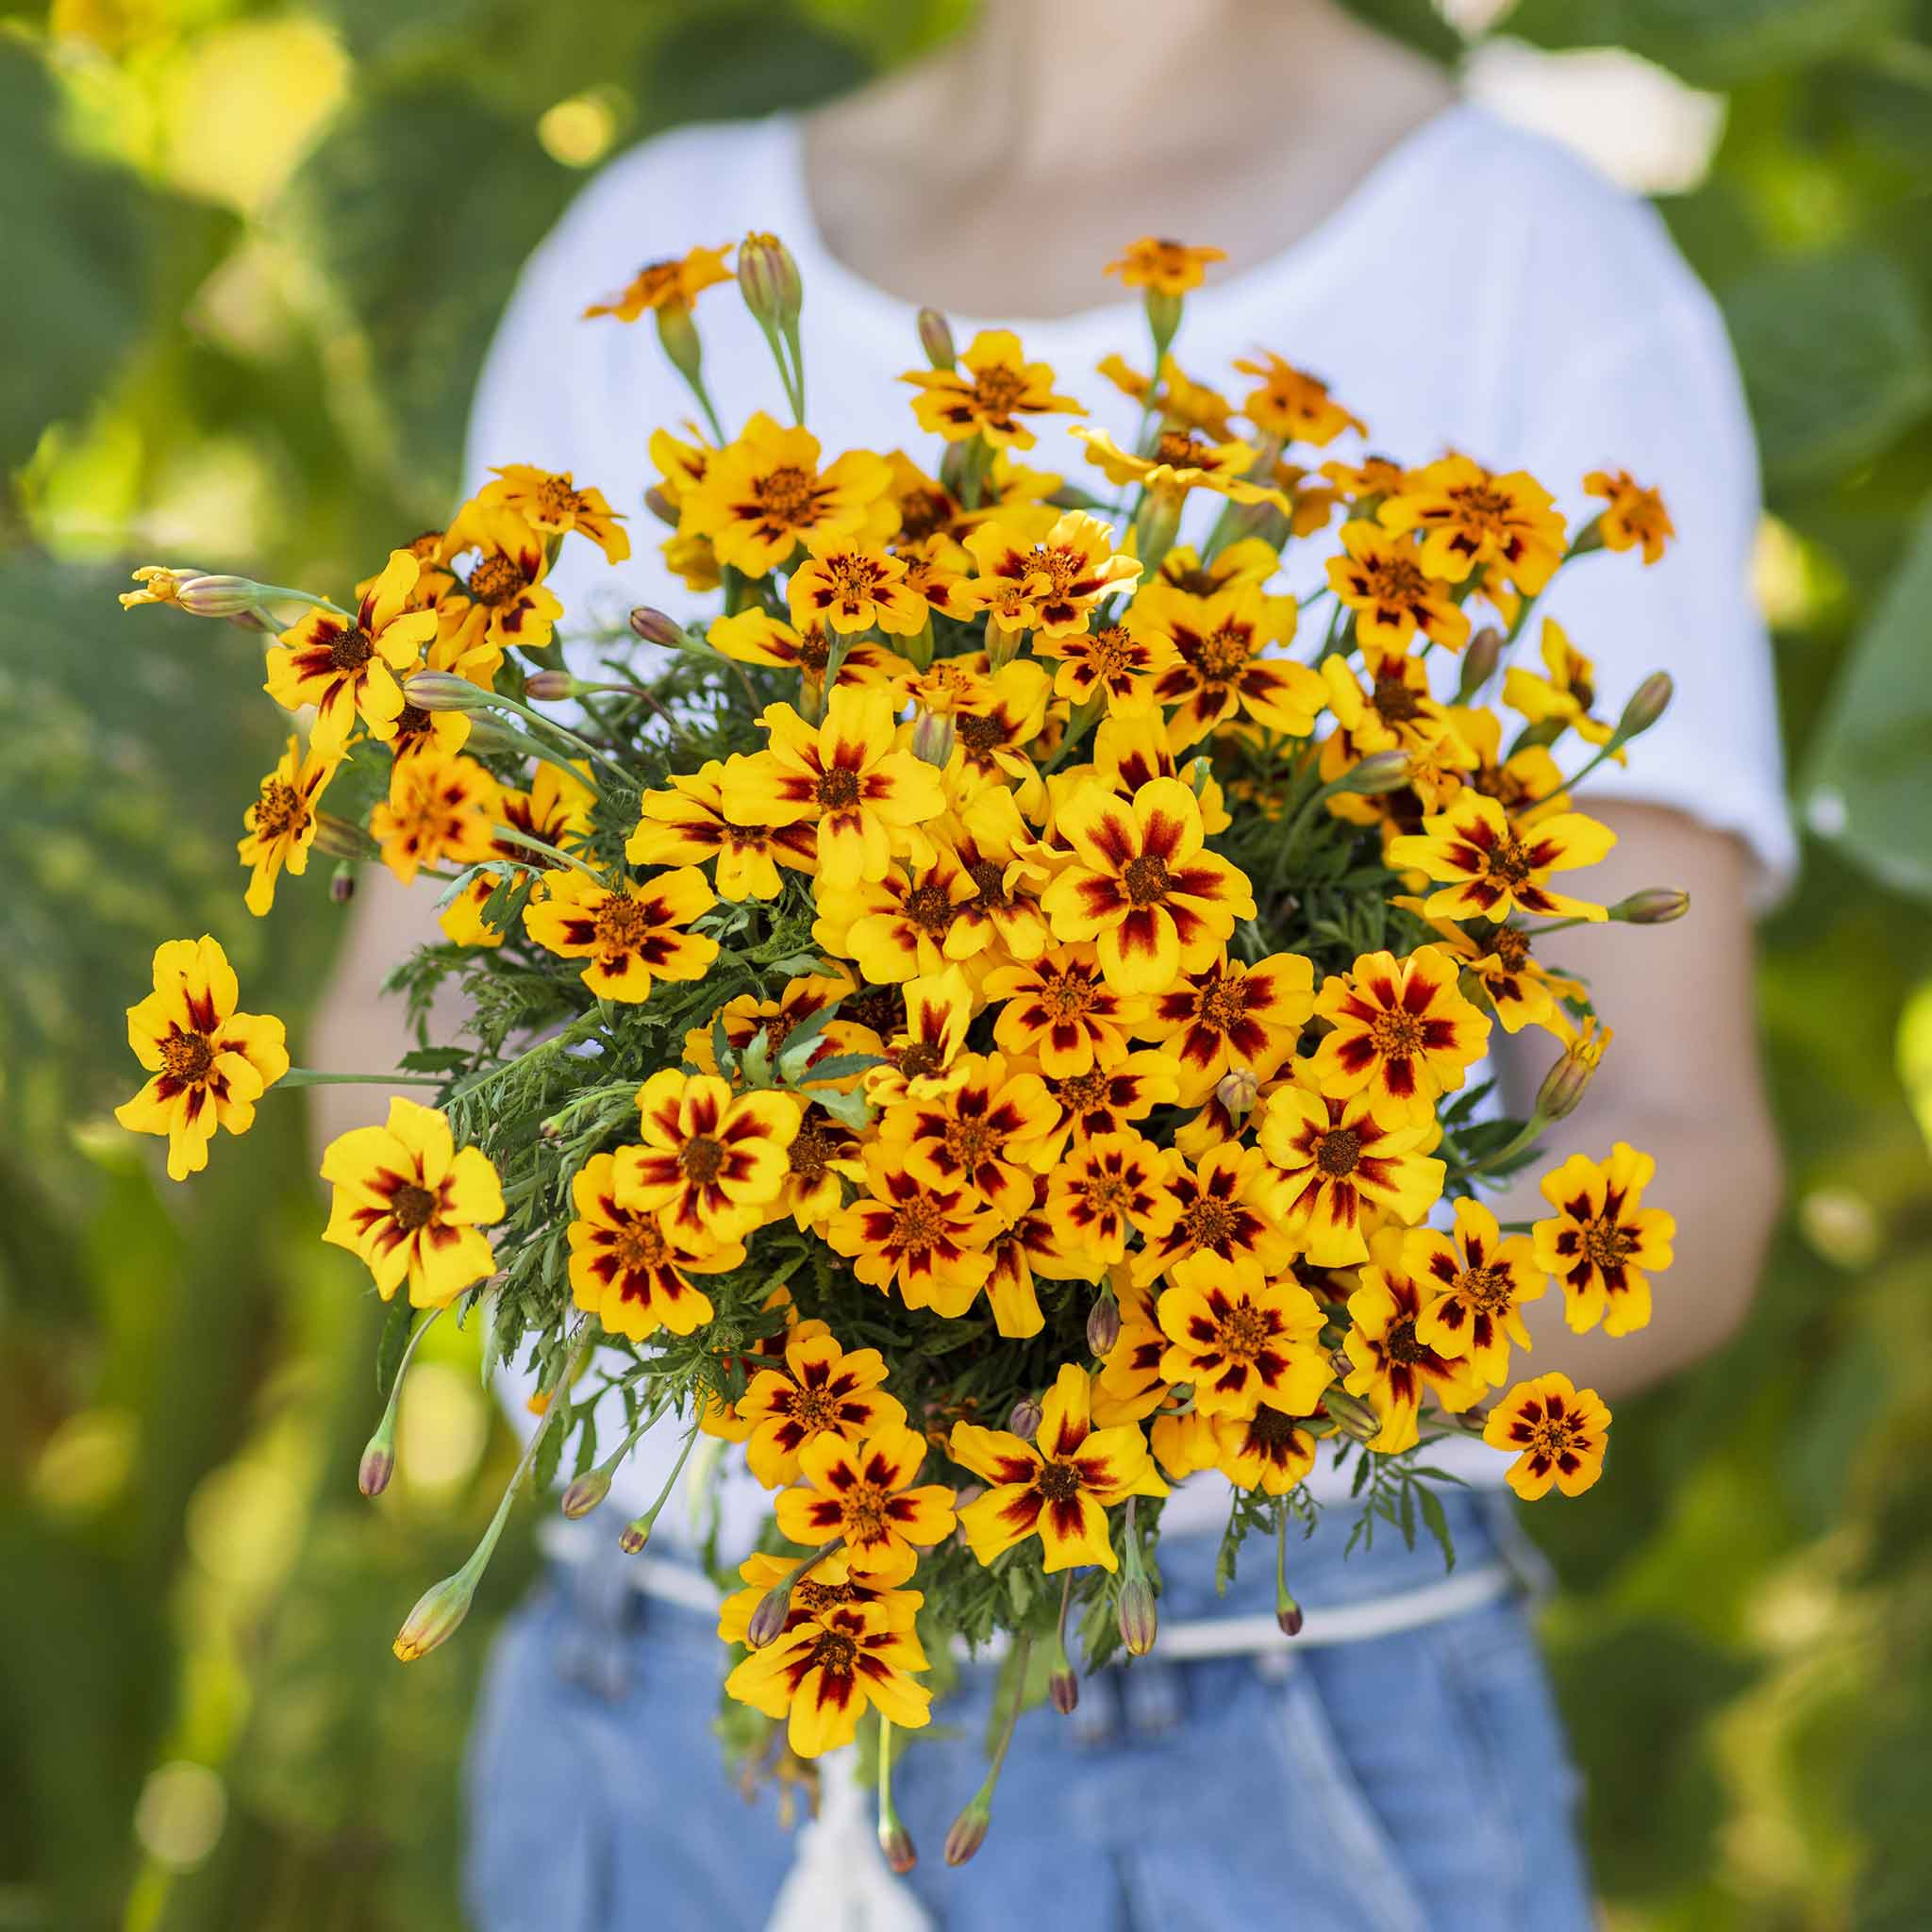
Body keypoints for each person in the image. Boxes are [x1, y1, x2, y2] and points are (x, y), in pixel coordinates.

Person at [309, 1, 1791, 1924]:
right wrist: (753, 1301)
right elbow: (389, 1019)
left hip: (1255, 1699)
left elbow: (1688, 1153)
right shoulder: (653, 240)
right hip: (650, 1687)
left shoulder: (1529, 256)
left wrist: (1222, 1346)